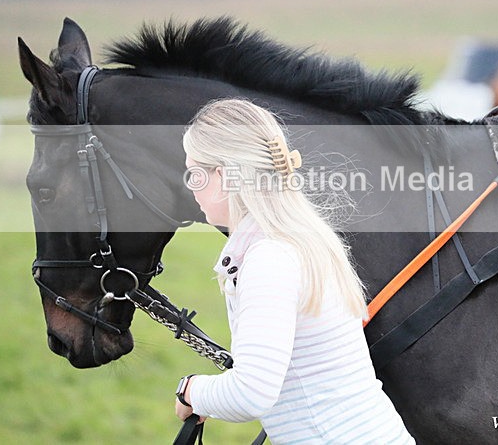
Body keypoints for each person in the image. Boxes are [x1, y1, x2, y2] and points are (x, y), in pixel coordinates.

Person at [175, 98, 414, 444]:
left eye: (195, 173)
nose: (190, 186)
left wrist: (191, 390)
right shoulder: (300, 238)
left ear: (224, 176)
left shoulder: (269, 257)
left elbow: (252, 391)